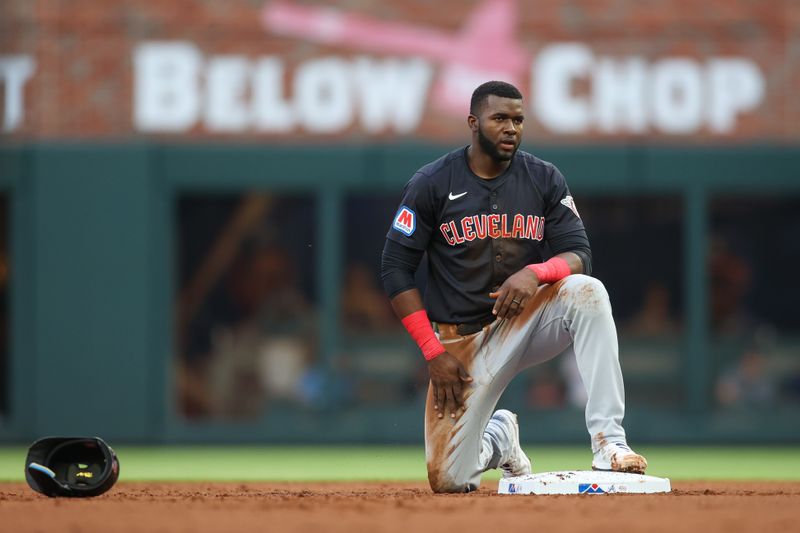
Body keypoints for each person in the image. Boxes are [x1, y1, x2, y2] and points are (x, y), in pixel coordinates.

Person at [380, 81, 647, 493]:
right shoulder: (432, 182)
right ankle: (499, 439)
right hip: (460, 341)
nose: (511, 128)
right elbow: (395, 268)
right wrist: (432, 352)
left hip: (524, 322)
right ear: (473, 123)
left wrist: (536, 273)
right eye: (500, 118)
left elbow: (579, 252)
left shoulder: (543, 177)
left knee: (588, 292)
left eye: (518, 120)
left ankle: (609, 441)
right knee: (449, 480)